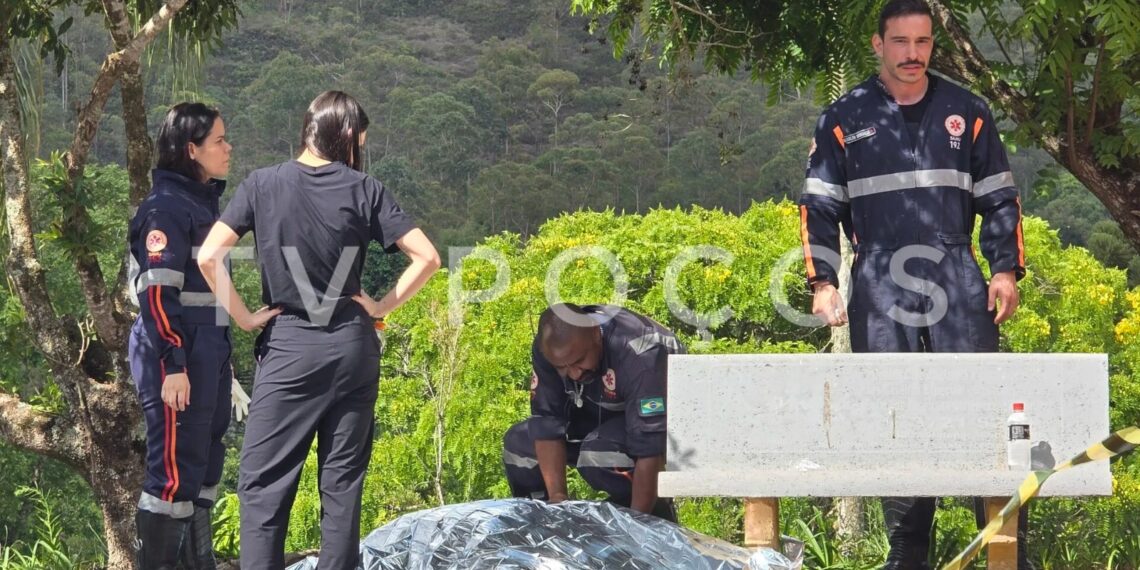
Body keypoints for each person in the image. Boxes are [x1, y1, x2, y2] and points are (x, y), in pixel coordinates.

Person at [797, 1, 1027, 568]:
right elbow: (818, 207)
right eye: (900, 42)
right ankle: (907, 550)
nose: (912, 54)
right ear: (878, 44)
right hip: (878, 274)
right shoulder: (842, 117)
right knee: (892, 412)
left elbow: (999, 198)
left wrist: (1003, 270)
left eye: (922, 42)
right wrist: (823, 281)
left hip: (956, 268)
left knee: (980, 405)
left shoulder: (966, 109)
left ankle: (1008, 550)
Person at [197, 90, 440, 569]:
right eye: (361, 142)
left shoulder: (262, 184)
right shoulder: (365, 189)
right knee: (342, 484)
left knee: (264, 484)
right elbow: (428, 258)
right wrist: (380, 306)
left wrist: (245, 317)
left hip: (290, 345)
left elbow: (208, 256)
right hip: (353, 346)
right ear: (346, 135)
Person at [128, 102, 241, 569]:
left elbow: (209, 296)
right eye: (219, 140)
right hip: (175, 358)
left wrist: (223, 363)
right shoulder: (165, 210)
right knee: (172, 476)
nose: (228, 148)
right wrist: (173, 365)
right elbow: (157, 296)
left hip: (207, 354)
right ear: (192, 150)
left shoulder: (201, 204)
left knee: (203, 468)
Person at [502, 303, 684, 521]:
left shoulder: (639, 351)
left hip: (659, 429)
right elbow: (546, 423)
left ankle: (648, 518)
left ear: (596, 336)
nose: (574, 374)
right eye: (562, 367)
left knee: (599, 454)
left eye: (579, 362)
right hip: (597, 412)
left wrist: (638, 526)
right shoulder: (552, 348)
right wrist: (558, 499)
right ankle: (543, 526)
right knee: (519, 444)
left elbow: (649, 449)